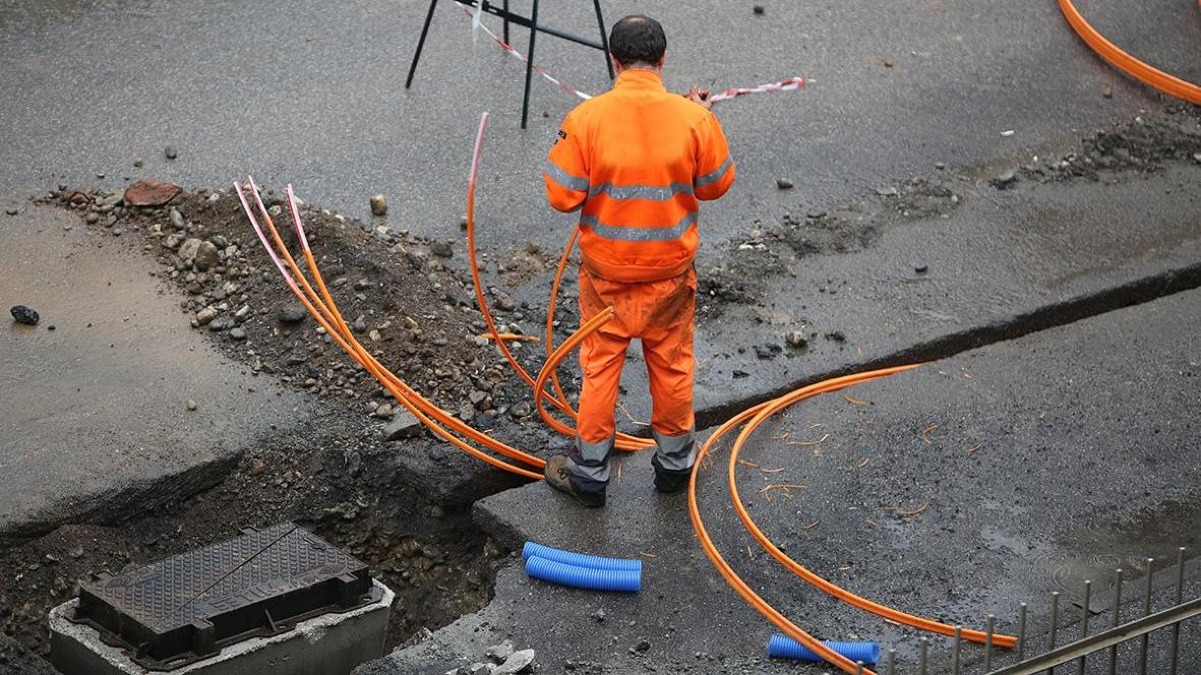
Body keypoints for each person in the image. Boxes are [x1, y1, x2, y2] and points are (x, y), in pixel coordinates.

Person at [541, 14, 735, 507]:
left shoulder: (586, 120)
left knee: (600, 368)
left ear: (614, 59)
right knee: (671, 369)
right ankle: (674, 467)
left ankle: (588, 472)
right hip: (670, 278)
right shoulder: (694, 119)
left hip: (606, 278)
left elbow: (562, 196)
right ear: (663, 59)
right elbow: (716, 184)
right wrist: (704, 119)